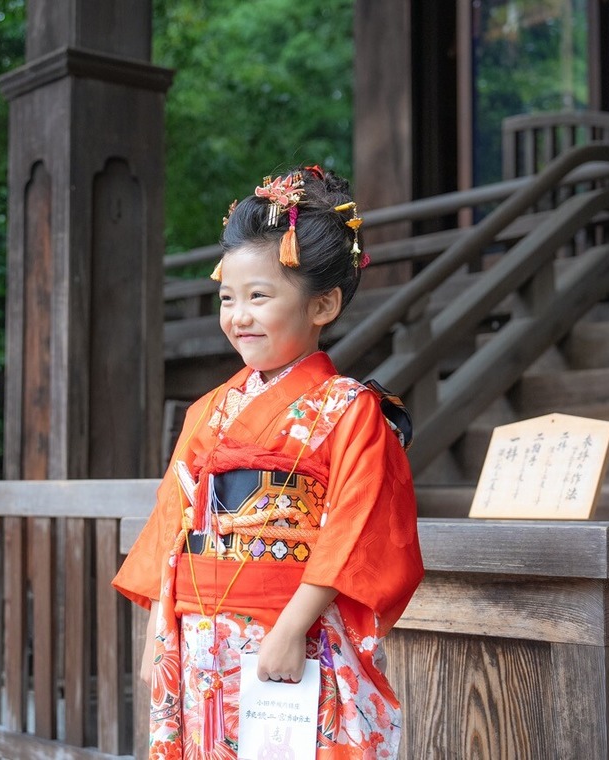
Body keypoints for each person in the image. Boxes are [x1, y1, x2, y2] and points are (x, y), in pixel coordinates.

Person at [113, 164, 424, 759]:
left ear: (323, 305)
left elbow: (353, 530)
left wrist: (289, 630)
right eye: (228, 298)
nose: (238, 315)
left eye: (259, 296)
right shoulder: (209, 410)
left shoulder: (350, 409)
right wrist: (159, 634)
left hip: (294, 632)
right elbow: (173, 525)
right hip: (199, 633)